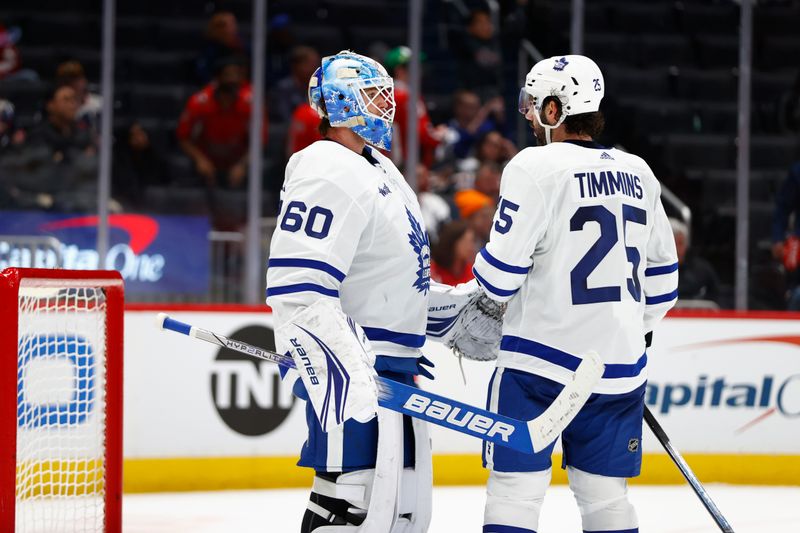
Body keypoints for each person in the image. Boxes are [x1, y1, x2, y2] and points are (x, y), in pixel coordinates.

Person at [474, 55, 678, 533]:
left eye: (531, 104)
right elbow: (664, 283)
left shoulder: (534, 166)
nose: (526, 114)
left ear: (553, 110)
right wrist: (622, 335)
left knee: (515, 495)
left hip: (535, 370)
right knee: (607, 502)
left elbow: (498, 280)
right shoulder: (639, 172)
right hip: (617, 373)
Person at [266, 50, 436, 533]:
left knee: (401, 513)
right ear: (339, 102)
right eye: (372, 93)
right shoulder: (327, 166)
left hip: (393, 368)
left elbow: (395, 271)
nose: (386, 104)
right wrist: (333, 361)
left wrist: (451, 312)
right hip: (353, 368)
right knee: (351, 502)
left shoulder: (378, 167)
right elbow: (297, 285)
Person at [177, 56, 267, 190]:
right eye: (228, 75)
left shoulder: (251, 103)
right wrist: (200, 160)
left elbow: (260, 141)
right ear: (217, 78)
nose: (233, 79)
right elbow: (183, 137)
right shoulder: (199, 102)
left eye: (237, 75)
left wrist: (242, 165)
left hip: (239, 160)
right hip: (206, 159)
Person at [671, 217, 720, 305]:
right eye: (672, 244)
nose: (676, 249)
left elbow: (717, 299)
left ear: (686, 244)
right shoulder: (649, 269)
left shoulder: (702, 271)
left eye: (680, 243)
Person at [430, 219, 476, 285]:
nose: (471, 247)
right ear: (453, 242)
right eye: (466, 242)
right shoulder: (432, 271)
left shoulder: (472, 272)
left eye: (472, 242)